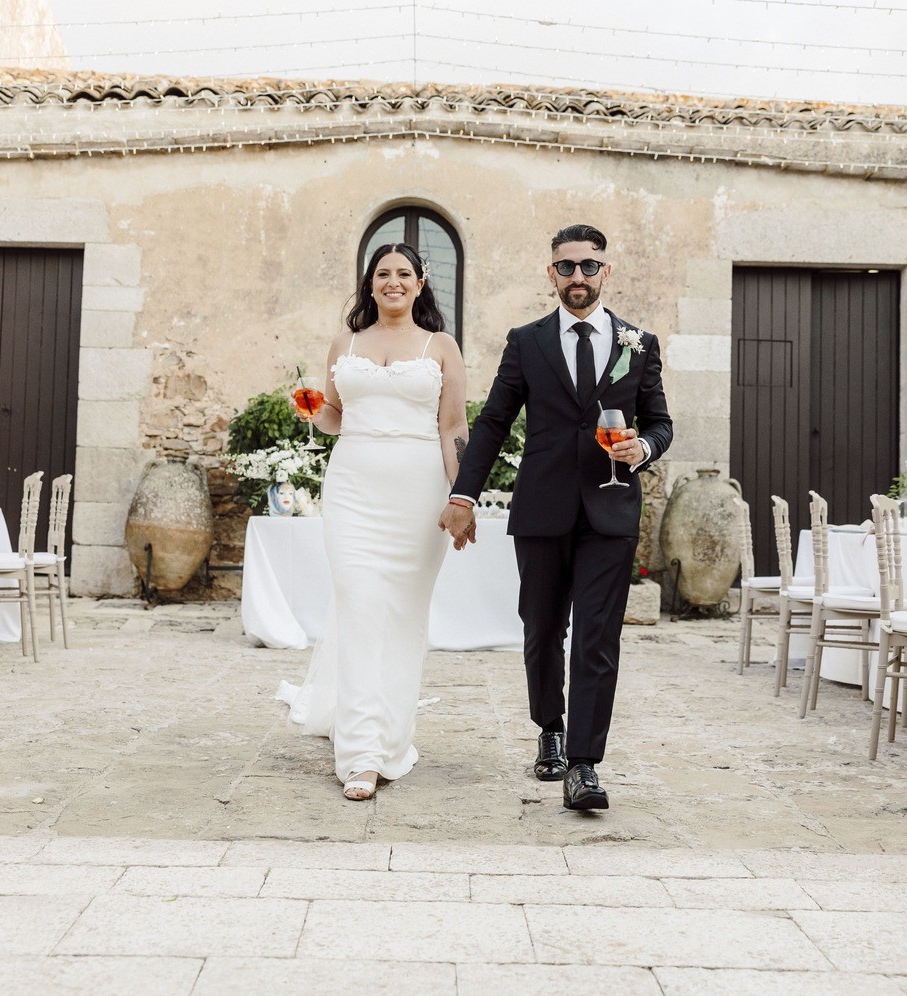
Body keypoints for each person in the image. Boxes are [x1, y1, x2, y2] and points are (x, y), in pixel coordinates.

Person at [440, 223, 671, 811]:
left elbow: (660, 422)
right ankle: (550, 728)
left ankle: (584, 766)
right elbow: (493, 422)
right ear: (551, 274)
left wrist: (643, 448)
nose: (577, 276)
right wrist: (464, 496)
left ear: (605, 272)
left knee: (597, 635)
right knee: (542, 628)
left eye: (588, 266)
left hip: (611, 509)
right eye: (566, 267)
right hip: (542, 507)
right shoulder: (527, 341)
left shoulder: (639, 344)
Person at [280, 243, 468, 801]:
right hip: (353, 490)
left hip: (419, 493)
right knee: (359, 608)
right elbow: (334, 418)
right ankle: (361, 754)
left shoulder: (441, 346)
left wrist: (462, 497)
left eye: (404, 273)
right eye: (382, 273)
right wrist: (312, 410)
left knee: (404, 618)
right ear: (369, 284)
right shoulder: (345, 343)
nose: (393, 282)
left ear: (420, 283)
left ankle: (390, 739)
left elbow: (453, 427)